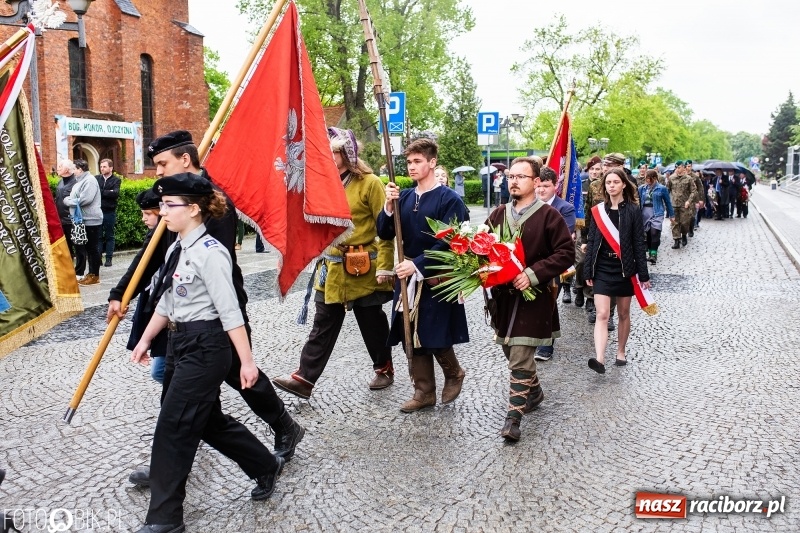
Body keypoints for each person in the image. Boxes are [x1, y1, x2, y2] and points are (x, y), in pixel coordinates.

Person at [107, 131, 303, 489]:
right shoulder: (172, 200)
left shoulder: (211, 202)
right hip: (179, 312)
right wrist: (122, 291)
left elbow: (213, 263)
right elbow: (150, 254)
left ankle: (284, 426)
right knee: (185, 399)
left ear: (185, 160)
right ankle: (168, 464)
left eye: (162, 164)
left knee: (243, 377)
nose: (158, 173)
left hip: (215, 312)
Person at [131, 173, 283, 533]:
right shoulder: (174, 249)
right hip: (180, 343)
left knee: (174, 425)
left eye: (170, 205)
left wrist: (247, 362)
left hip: (209, 346)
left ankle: (165, 518)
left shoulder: (212, 254)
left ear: (194, 209)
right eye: (162, 205)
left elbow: (230, 312)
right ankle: (264, 464)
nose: (163, 211)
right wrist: (145, 339)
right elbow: (165, 305)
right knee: (206, 421)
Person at [272, 128, 395, 398]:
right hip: (331, 269)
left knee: (371, 323)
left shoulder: (370, 183)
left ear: (347, 154)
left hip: (364, 267)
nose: (328, 155)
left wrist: (386, 266)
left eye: (334, 151)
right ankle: (304, 379)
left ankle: (383, 367)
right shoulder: (321, 185)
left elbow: (386, 230)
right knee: (323, 324)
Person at [485, 157, 574, 440]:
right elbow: (483, 248)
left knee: (521, 357)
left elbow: (566, 254)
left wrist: (534, 273)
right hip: (503, 300)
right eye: (511, 176)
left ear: (536, 182)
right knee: (511, 352)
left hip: (533, 298)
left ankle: (513, 420)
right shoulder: (498, 214)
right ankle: (533, 393)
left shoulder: (550, 216)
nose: (513, 181)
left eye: (521, 177)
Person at [378, 138, 469, 413]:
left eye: (418, 161)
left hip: (436, 274)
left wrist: (417, 264)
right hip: (407, 276)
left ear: (432, 163)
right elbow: (384, 232)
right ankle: (424, 391)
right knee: (410, 334)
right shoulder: (403, 196)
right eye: (409, 162)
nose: (412, 166)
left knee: (434, 331)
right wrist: (388, 207)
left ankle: (454, 373)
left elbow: (452, 241)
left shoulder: (449, 199)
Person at [584, 168, 651, 374]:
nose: (611, 185)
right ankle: (600, 358)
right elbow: (592, 240)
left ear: (623, 185)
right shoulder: (598, 211)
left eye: (615, 182)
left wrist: (644, 274)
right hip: (602, 267)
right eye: (608, 182)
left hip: (624, 267)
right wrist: (588, 270)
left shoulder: (632, 210)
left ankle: (620, 351)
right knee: (602, 313)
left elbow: (639, 243)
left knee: (623, 313)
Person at [533, 166, 575, 363]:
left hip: (553, 265)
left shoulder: (565, 208)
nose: (541, 190)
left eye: (546, 186)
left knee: (548, 302)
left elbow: (563, 238)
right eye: (538, 186)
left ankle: (546, 345)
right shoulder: (528, 204)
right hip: (529, 263)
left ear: (555, 186)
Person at [126, 189, 168, 384]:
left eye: (147, 214)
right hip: (162, 317)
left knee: (161, 372)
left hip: (177, 323)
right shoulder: (153, 239)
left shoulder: (170, 242)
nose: (143, 219)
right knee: (162, 373)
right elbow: (139, 270)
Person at [64, 159, 103, 285]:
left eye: (74, 169)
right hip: (82, 220)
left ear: (80, 169)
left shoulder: (90, 180)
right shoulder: (79, 181)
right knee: (86, 248)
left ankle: (94, 275)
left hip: (91, 219)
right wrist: (71, 199)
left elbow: (85, 199)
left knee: (92, 249)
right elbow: (77, 198)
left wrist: (67, 201)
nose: (72, 171)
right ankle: (90, 274)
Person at [573, 156, 601, 309]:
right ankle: (578, 288)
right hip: (581, 227)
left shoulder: (604, 187)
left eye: (598, 169)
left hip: (598, 229)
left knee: (594, 263)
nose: (595, 172)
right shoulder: (580, 185)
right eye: (592, 169)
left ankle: (590, 296)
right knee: (581, 261)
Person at [638, 169, 674, 264]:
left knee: (655, 232)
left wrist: (671, 215)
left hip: (657, 212)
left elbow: (668, 202)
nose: (646, 180)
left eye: (648, 178)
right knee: (648, 233)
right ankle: (650, 252)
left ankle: (654, 254)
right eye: (646, 178)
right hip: (645, 212)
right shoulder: (642, 188)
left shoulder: (661, 188)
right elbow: (637, 201)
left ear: (654, 178)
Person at [666, 161, 697, 249]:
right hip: (674, 204)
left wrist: (689, 201)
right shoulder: (671, 178)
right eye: (676, 168)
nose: (677, 169)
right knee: (675, 223)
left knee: (684, 223)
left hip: (685, 205)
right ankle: (676, 240)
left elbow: (693, 191)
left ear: (683, 167)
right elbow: (667, 190)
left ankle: (684, 235)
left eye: (679, 167)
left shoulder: (689, 179)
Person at [96, 158, 121, 267]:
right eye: (101, 167)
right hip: (98, 211)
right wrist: (107, 192)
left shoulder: (116, 180)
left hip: (109, 212)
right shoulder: (97, 179)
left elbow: (115, 194)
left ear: (111, 168)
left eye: (104, 166)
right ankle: (98, 258)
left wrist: (102, 192)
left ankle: (109, 259)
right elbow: (96, 192)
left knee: (109, 236)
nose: (102, 169)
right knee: (99, 236)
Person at [55, 159, 79, 260]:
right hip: (61, 219)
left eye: (60, 166)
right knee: (66, 245)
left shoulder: (76, 183)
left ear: (67, 170)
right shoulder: (60, 182)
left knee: (77, 245)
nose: (58, 168)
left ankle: (79, 270)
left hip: (71, 219)